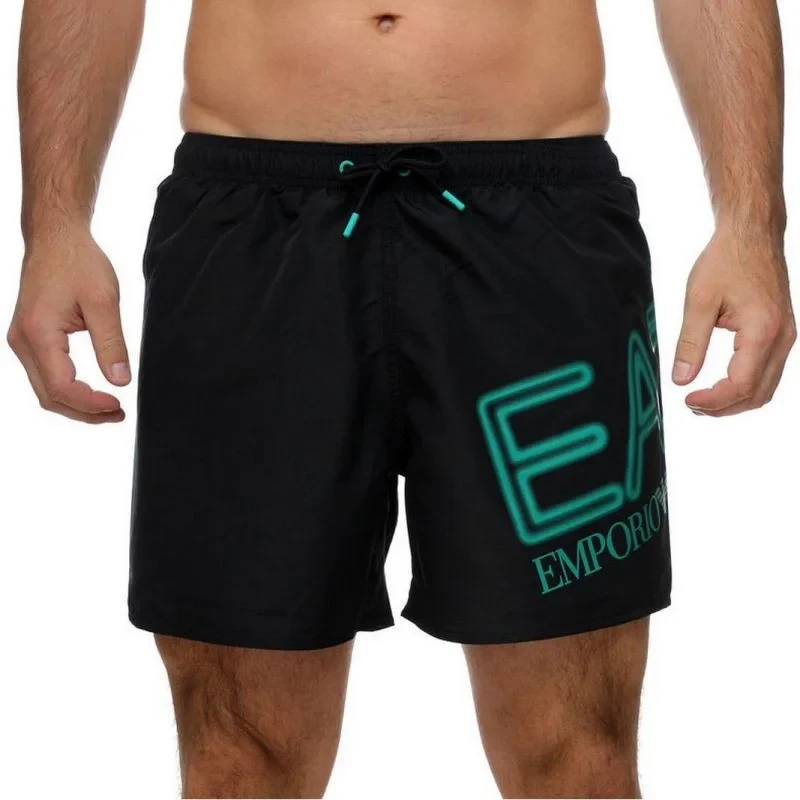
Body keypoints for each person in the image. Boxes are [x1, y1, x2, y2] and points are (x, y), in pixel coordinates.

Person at [7, 1, 795, 798]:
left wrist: (752, 225)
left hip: (536, 229)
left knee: (576, 749)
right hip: (252, 229)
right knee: (240, 754)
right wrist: (55, 224)